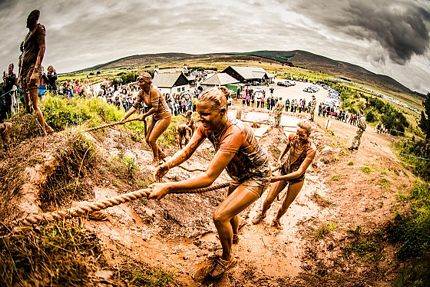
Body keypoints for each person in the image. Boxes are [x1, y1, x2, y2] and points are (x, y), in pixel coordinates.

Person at [148, 87, 271, 279]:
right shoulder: (206, 127)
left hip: (257, 177)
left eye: (205, 114)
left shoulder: (234, 133)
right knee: (231, 210)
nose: (201, 118)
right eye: (199, 114)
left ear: (222, 112)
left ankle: (227, 258)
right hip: (238, 176)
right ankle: (234, 236)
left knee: (220, 216)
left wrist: (169, 186)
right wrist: (168, 164)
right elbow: (187, 151)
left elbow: (208, 177)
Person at [253, 121, 316, 229]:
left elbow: (299, 172)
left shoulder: (311, 149)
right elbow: (287, 147)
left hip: (297, 179)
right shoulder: (292, 137)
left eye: (302, 135)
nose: (299, 137)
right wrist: (279, 158)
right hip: (284, 170)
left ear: (308, 135)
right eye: (297, 133)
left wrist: (277, 178)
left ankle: (276, 219)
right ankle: (262, 214)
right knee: (268, 199)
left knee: (286, 204)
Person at [121, 72, 172, 165]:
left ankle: (156, 159)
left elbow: (155, 108)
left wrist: (144, 115)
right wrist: (124, 117)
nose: (140, 84)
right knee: (147, 139)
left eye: (142, 81)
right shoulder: (141, 93)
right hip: (155, 116)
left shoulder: (154, 91)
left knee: (152, 139)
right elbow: (134, 106)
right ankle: (161, 154)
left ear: (148, 82)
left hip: (165, 116)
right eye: (139, 82)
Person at [18, 10, 53, 135]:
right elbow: (22, 58)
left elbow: (42, 48)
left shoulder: (39, 29)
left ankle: (44, 132)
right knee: (27, 105)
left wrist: (35, 70)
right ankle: (46, 128)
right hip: (24, 71)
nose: (27, 21)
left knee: (35, 105)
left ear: (34, 19)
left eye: (29, 18)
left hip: (32, 69)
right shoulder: (27, 35)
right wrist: (20, 75)